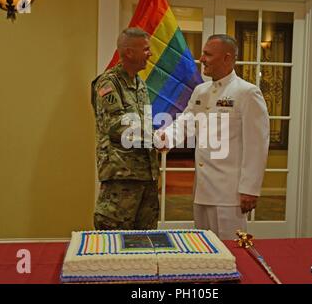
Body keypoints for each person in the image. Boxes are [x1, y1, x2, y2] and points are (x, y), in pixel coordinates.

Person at [159, 34, 270, 240]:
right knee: (205, 247)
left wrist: (250, 188)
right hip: (202, 189)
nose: (202, 59)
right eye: (203, 53)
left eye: (208, 54)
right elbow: (187, 121)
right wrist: (165, 138)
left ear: (227, 58)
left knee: (232, 251)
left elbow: (257, 144)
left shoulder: (247, 93)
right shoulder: (201, 91)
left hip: (230, 193)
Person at [91, 27, 160, 230]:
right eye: (146, 49)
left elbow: (145, 124)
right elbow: (117, 125)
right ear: (129, 52)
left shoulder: (140, 84)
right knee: (114, 238)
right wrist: (155, 137)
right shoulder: (108, 83)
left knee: (145, 240)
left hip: (145, 175)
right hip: (121, 178)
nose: (150, 54)